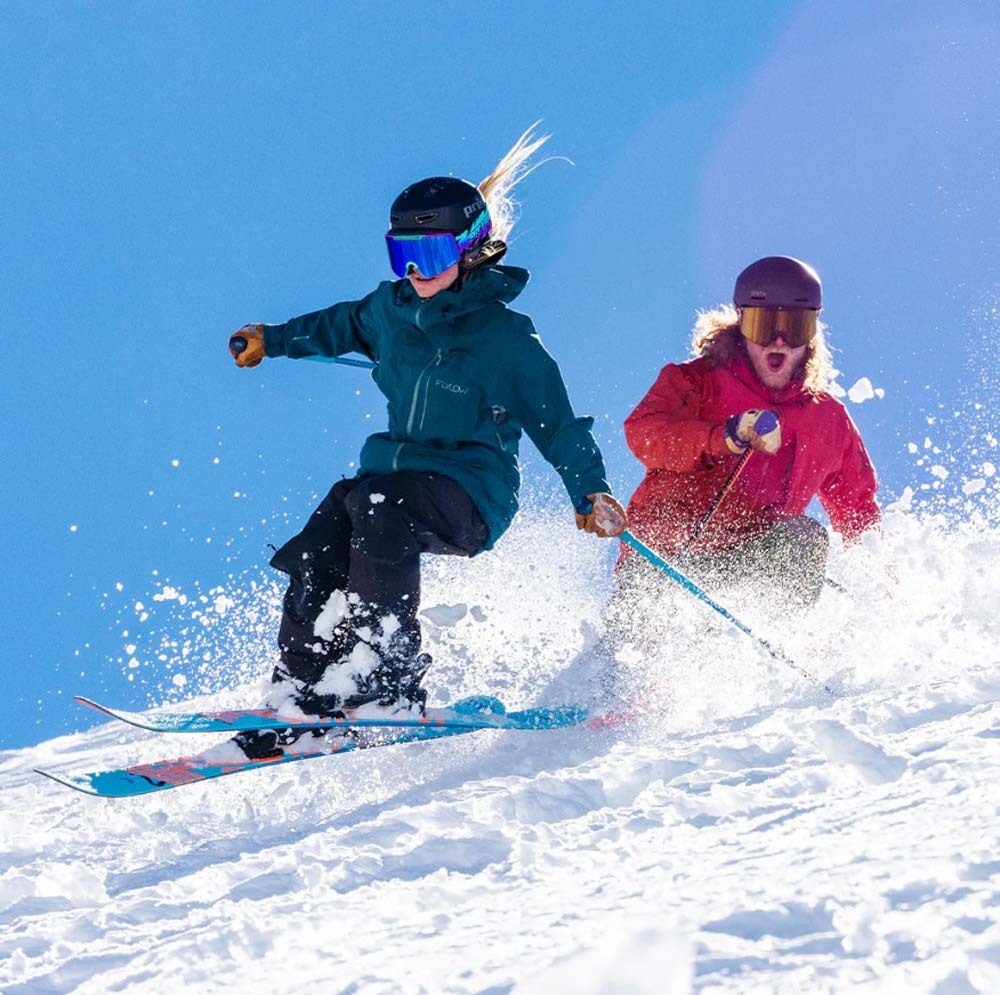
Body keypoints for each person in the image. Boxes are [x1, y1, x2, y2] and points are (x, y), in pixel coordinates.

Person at [228, 126, 627, 757]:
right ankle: (305, 682)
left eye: (432, 255)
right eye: (402, 256)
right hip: (393, 480)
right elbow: (337, 325)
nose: (415, 272)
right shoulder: (390, 313)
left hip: (471, 492)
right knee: (332, 522)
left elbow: (558, 423)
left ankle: (388, 675)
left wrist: (590, 490)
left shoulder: (506, 338)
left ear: (470, 251)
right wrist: (272, 339)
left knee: (376, 502)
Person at [610, 255, 879, 644]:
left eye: (795, 327)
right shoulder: (695, 382)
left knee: (803, 542)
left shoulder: (828, 420)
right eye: (763, 325)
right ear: (741, 324)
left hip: (744, 565)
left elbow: (859, 512)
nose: (778, 341)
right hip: (664, 561)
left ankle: (750, 659)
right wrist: (721, 438)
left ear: (812, 333)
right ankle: (619, 672)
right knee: (643, 625)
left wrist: (882, 590)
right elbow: (644, 432)